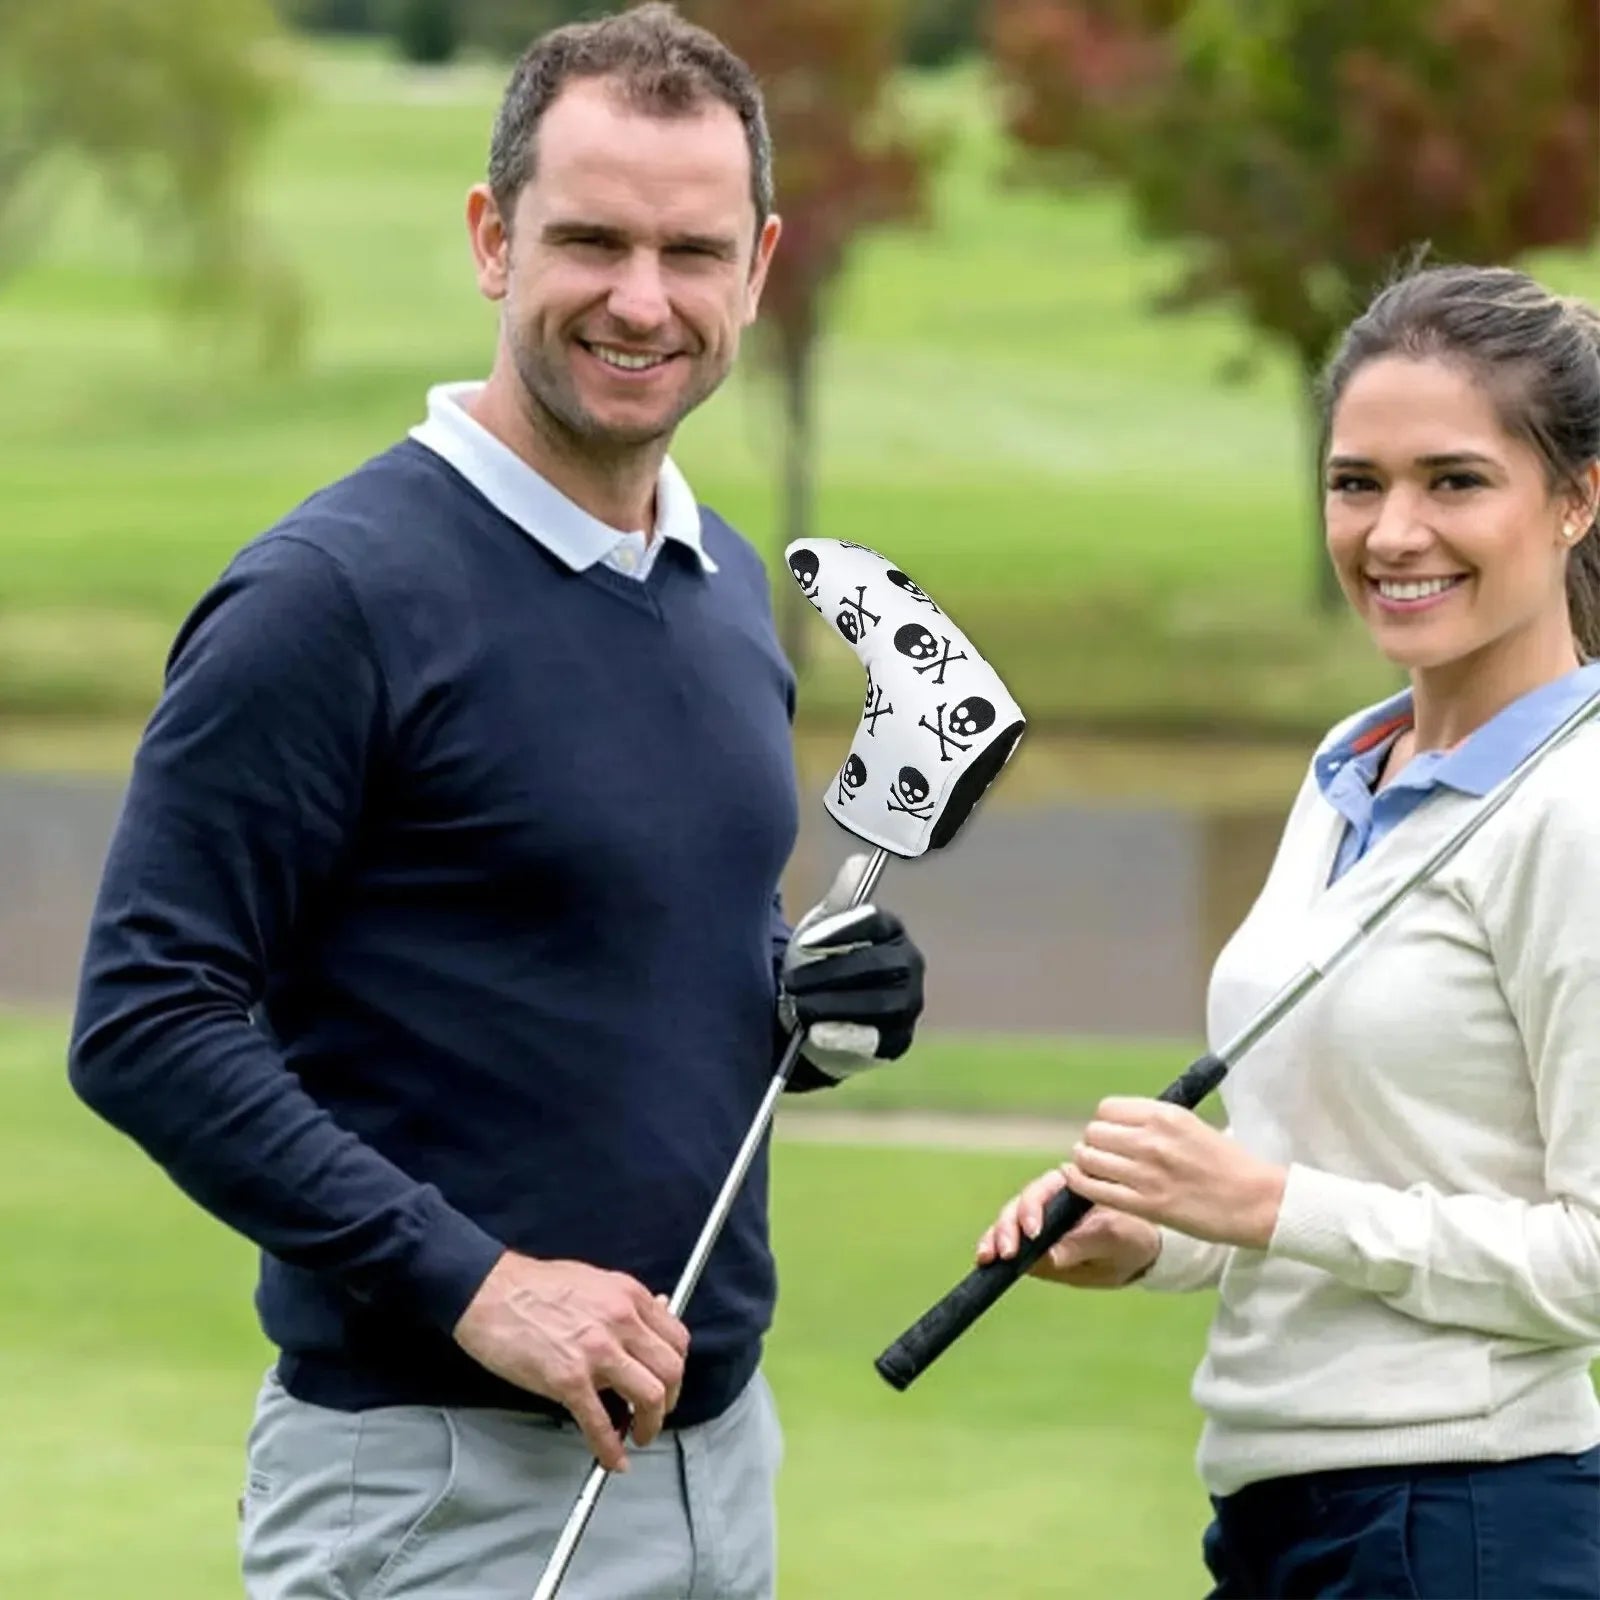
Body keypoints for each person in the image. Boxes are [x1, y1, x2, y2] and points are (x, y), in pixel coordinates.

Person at [67, 7, 928, 1597]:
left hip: (719, 1471)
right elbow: (145, 1017)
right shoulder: (329, 599)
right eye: (590, 241)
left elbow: (612, 959)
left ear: (757, 267)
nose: (641, 300)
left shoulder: (721, 584)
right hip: (434, 1492)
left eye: (692, 251)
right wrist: (480, 1284)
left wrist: (808, 1006)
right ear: (491, 238)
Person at [978, 262, 1600, 1599]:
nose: (1393, 533)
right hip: (1283, 1516)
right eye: (1356, 483)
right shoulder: (1349, 767)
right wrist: (1160, 1233)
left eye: (1455, 481)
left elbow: (1590, 1261)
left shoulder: (1580, 813)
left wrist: (1261, 1202)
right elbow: (1324, 1164)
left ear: (1577, 500)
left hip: (1468, 1522)